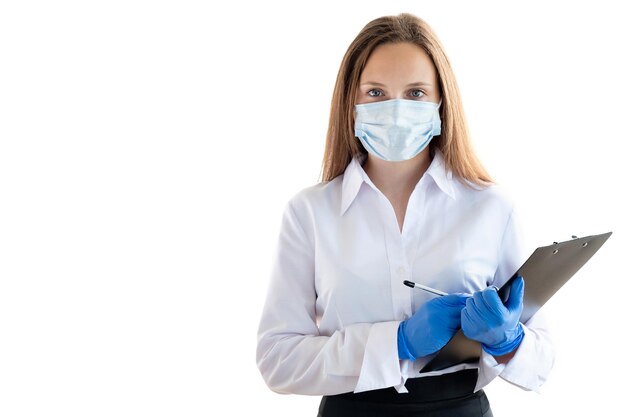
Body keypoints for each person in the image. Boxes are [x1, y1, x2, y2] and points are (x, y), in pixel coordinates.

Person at [256, 13, 554, 417]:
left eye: (415, 93)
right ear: (352, 102)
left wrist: (509, 341)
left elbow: (543, 361)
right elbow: (278, 359)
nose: (396, 111)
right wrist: (397, 343)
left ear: (440, 104)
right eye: (377, 93)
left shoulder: (491, 208)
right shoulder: (309, 213)